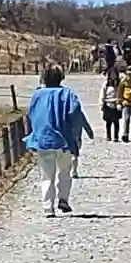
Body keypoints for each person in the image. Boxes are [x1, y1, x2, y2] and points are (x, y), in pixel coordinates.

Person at [24, 61, 93, 214]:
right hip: (64, 140)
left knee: (46, 174)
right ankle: (63, 199)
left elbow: (30, 115)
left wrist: (33, 135)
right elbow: (75, 114)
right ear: (61, 77)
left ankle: (48, 207)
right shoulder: (67, 94)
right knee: (64, 171)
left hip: (43, 140)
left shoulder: (37, 95)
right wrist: (77, 134)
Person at [100, 67, 123, 141]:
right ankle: (108, 136)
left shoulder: (119, 83)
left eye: (114, 74)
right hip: (108, 104)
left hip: (116, 104)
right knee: (108, 122)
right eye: (111, 74)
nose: (113, 75)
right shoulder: (106, 84)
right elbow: (102, 94)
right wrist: (101, 104)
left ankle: (116, 137)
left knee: (116, 122)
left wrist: (120, 102)